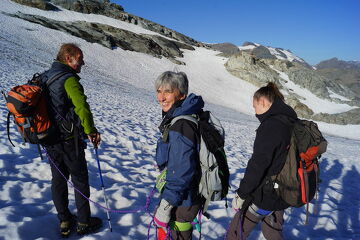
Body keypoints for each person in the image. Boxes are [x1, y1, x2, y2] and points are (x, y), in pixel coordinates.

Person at [42, 43, 102, 237]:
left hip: (50, 139)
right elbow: (82, 107)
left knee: (58, 180)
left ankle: (65, 220)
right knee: (80, 180)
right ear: (69, 59)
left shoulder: (46, 76)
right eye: (80, 58)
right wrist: (91, 131)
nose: (82, 62)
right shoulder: (68, 79)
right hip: (69, 140)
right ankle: (84, 222)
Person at [227, 82, 297, 240]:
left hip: (265, 194)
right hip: (284, 189)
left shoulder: (272, 125)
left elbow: (258, 165)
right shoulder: (290, 120)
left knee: (235, 233)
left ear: (264, 102)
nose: (255, 112)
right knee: (272, 232)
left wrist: (242, 194)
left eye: (255, 106)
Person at [153, 71, 204, 239]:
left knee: (178, 232)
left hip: (185, 197)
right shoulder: (182, 117)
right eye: (159, 91)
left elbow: (181, 171)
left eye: (167, 91)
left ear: (181, 95)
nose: (161, 97)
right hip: (185, 194)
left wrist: (165, 206)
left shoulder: (181, 125)